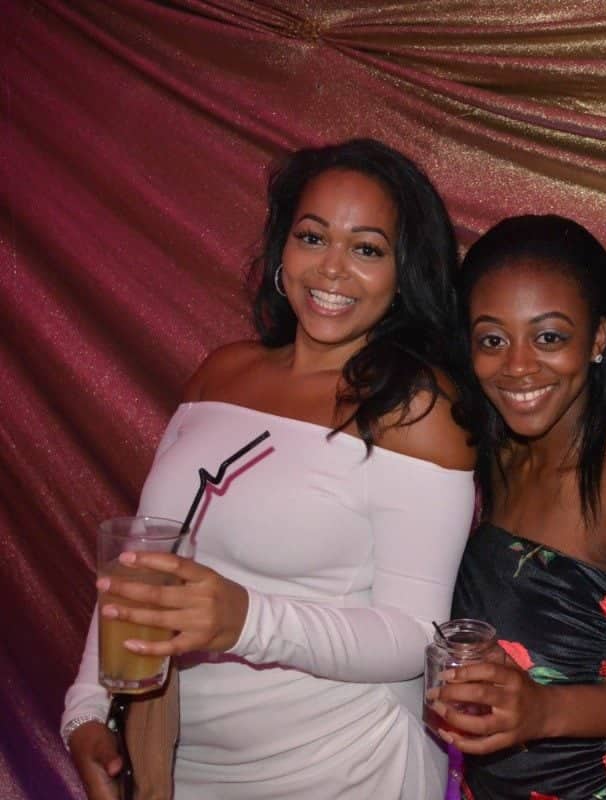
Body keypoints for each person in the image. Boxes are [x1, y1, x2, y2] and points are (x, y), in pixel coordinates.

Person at [61, 138, 477, 799]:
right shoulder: (221, 373)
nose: (332, 268)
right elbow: (140, 561)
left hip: (342, 770)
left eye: (367, 249)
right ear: (283, 248)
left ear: (404, 273)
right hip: (182, 765)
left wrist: (244, 620)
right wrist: (86, 707)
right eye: (313, 237)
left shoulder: (419, 410)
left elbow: (413, 634)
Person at [426, 215, 606, 800]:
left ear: (598, 339)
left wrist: (543, 710)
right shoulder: (497, 451)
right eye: (492, 340)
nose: (518, 366)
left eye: (549, 337)